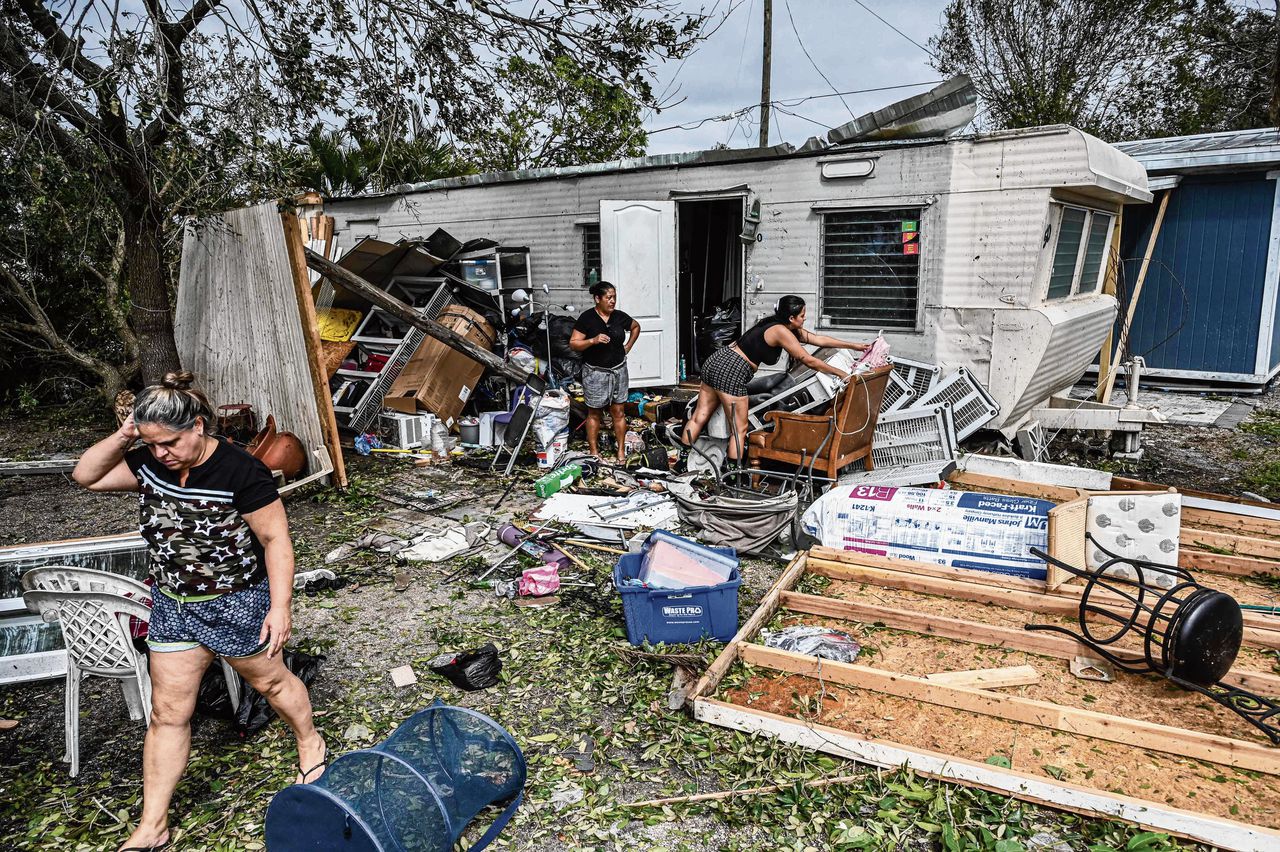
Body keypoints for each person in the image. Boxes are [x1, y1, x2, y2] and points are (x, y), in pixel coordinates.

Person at [72, 372, 325, 852]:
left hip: (235, 604)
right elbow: (87, 475)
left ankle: (310, 740)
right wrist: (128, 434)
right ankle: (153, 827)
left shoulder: (240, 471)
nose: (161, 453)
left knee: (270, 683)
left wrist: (280, 607)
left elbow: (276, 541)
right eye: (151, 443)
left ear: (199, 426)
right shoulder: (146, 462)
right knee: (167, 713)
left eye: (170, 442)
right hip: (173, 605)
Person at [681, 295, 869, 462]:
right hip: (732, 370)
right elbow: (808, 360)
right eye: (802, 316)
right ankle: (733, 474)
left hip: (717, 360)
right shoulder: (780, 331)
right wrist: (840, 373)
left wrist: (854, 346)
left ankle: (682, 461)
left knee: (700, 416)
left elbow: (819, 340)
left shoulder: (777, 325)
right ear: (791, 318)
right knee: (739, 429)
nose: (805, 319)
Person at [569, 281, 641, 461]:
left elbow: (635, 326)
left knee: (619, 411)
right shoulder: (587, 318)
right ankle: (594, 452)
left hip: (618, 370)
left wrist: (628, 346)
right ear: (597, 299)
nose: (612, 301)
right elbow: (574, 343)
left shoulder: (619, 317)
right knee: (594, 413)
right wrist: (592, 341)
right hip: (595, 372)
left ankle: (621, 451)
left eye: (614, 297)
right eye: (608, 297)